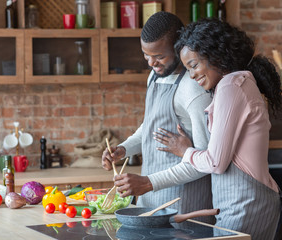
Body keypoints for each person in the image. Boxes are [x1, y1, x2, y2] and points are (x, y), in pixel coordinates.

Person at [154, 18, 282, 240]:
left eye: (193, 65)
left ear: (215, 55)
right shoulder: (239, 82)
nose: (192, 76)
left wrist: (185, 151)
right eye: (187, 69)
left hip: (246, 207)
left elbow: (216, 162)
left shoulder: (231, 87)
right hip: (247, 204)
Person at [101, 11, 214, 222]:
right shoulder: (155, 76)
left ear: (179, 47)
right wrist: (124, 149)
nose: (151, 63)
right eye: (146, 55)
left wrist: (146, 182)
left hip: (183, 206)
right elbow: (150, 128)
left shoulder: (193, 89)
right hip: (150, 201)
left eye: (159, 56)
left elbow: (205, 160)